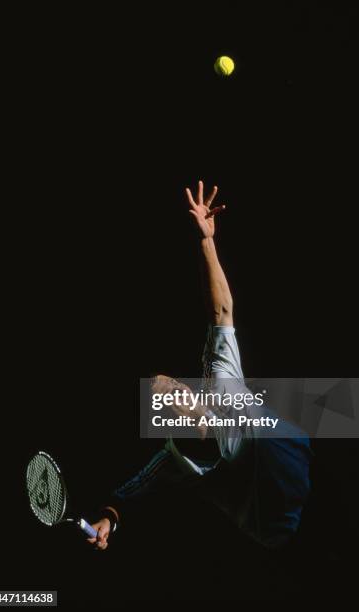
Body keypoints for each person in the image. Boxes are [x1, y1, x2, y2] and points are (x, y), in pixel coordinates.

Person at [88, 181, 312, 551]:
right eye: (171, 403)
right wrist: (108, 518)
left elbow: (222, 310)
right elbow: (130, 490)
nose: (180, 397)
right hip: (272, 529)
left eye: (176, 388)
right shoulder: (175, 460)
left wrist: (206, 240)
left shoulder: (219, 385)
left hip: (297, 460)